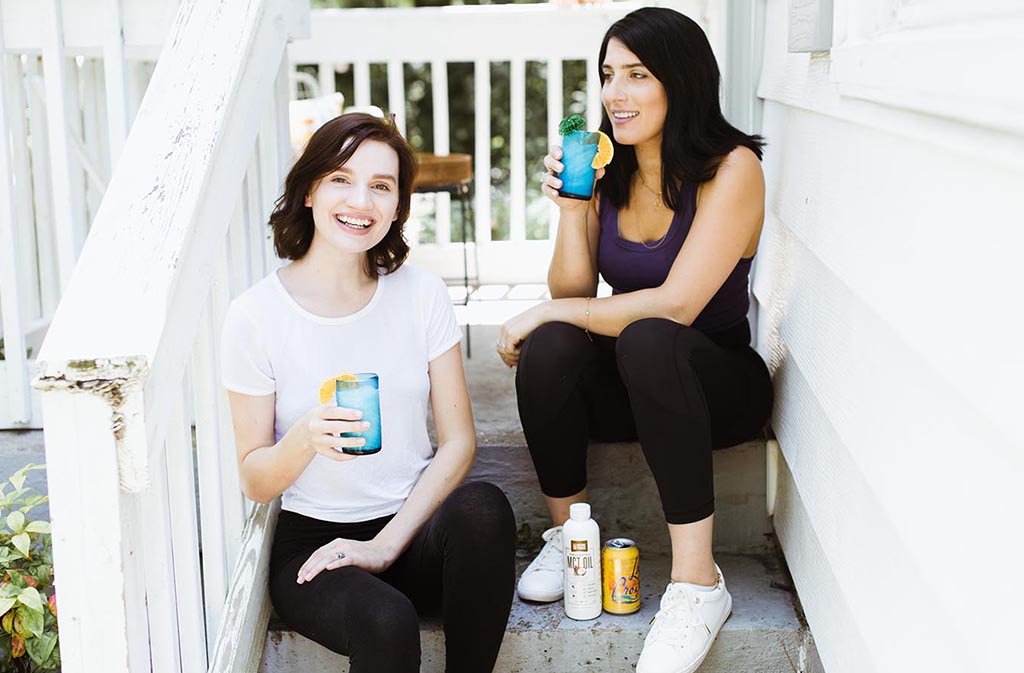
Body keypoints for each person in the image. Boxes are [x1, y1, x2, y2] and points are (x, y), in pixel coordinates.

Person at [497, 8, 774, 673]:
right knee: (554, 345)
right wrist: (572, 211)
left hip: (714, 383)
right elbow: (573, 284)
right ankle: (573, 535)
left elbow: (678, 304)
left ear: (681, 81)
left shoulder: (732, 169)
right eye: (607, 76)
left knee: (645, 335)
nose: (614, 94)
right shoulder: (605, 167)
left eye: (637, 75)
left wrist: (542, 309)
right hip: (636, 381)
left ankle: (697, 586)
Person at [221, 113, 516, 673]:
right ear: (309, 190)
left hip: (412, 528)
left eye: (381, 186)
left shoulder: (420, 294)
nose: (362, 200)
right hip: (316, 550)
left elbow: (459, 443)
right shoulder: (255, 316)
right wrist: (304, 438)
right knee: (387, 621)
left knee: (484, 508)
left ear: (398, 206)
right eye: (341, 178)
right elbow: (255, 478)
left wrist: (386, 545)